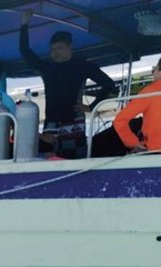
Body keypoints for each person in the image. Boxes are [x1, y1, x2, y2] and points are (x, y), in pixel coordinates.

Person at [20, 10, 116, 157]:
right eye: (52, 50)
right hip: (51, 122)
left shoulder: (82, 65)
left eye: (60, 48)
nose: (55, 53)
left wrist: (91, 107)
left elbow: (109, 84)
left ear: (70, 46)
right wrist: (24, 24)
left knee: (75, 161)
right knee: (48, 160)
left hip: (74, 122)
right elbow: (25, 52)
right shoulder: (47, 68)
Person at [113, 52, 161, 154]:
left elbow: (120, 120)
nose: (153, 72)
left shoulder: (151, 92)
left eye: (154, 69)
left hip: (156, 152)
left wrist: (133, 143)